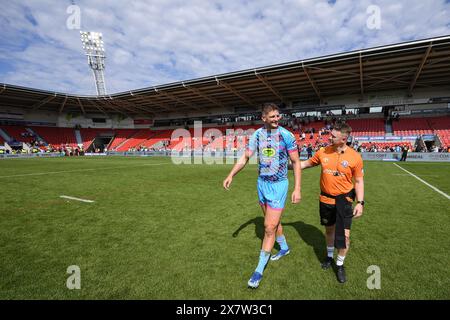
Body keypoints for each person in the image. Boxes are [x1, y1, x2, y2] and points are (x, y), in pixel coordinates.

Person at [223, 103, 302, 289]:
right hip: (262, 184)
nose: (276, 119)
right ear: (264, 118)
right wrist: (231, 174)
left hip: (279, 185)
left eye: (278, 116)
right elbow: (245, 157)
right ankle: (284, 248)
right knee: (273, 223)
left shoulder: (287, 135)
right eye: (272, 117)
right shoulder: (257, 135)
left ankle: (258, 270)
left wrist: (297, 188)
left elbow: (296, 162)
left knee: (268, 227)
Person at [300, 122, 364, 283]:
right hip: (325, 199)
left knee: (345, 237)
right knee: (329, 231)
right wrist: (286, 166)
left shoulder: (355, 156)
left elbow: (358, 181)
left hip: (344, 200)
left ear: (344, 138)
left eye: (333, 136)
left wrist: (360, 202)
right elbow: (306, 164)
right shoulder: (323, 151)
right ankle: (329, 257)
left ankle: (340, 264)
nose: (329, 137)